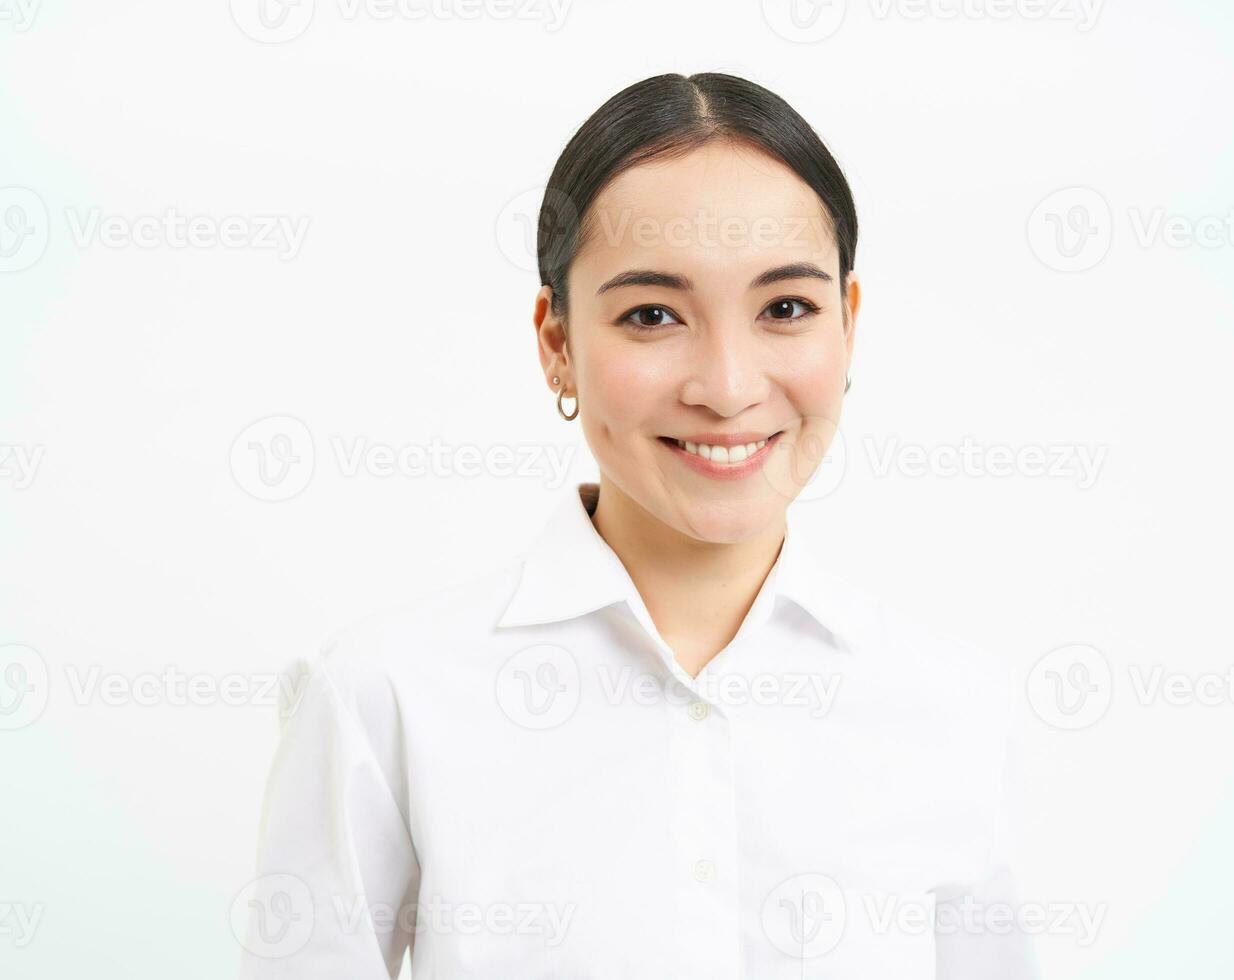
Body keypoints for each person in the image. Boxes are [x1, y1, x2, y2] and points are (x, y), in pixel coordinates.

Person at [237, 71, 1037, 979]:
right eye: (653, 314)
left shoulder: (951, 706)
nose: (729, 386)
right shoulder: (386, 695)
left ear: (847, 326)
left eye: (786, 308)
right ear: (558, 343)